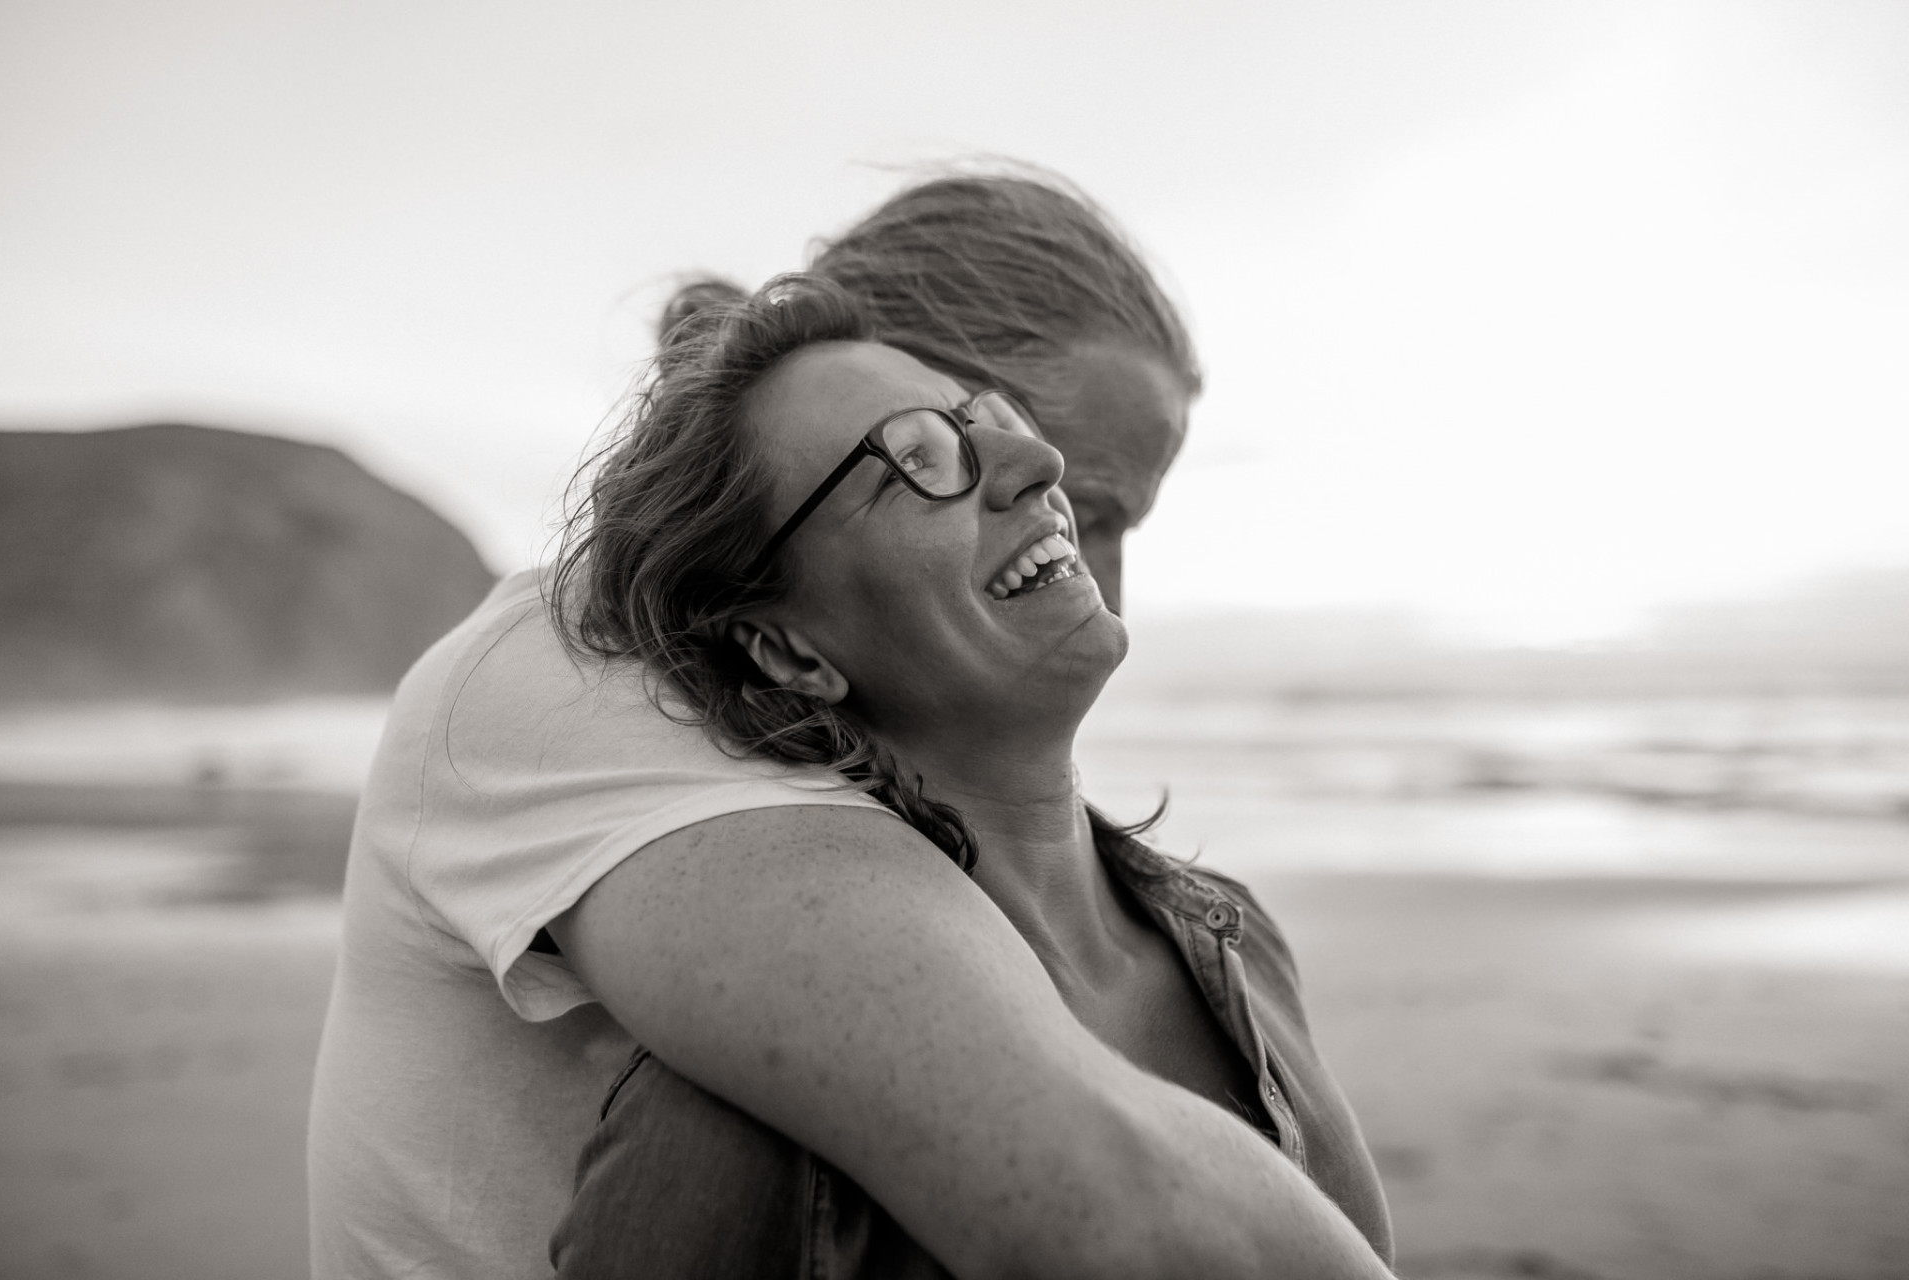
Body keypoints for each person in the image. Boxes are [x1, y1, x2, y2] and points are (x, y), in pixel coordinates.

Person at [306, 171, 1364, 1280]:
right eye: (932, 446)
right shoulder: (571, 668)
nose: (1079, 540)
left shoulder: (1205, 933)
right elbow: (1097, 1182)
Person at [544, 275, 1394, 1278]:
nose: (1037, 462)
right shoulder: (758, 1103)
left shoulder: (1235, 941)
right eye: (916, 458)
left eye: (984, 418)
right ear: (787, 649)